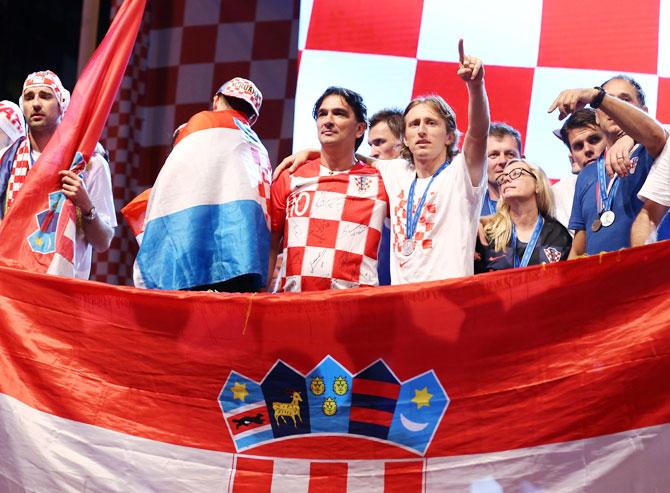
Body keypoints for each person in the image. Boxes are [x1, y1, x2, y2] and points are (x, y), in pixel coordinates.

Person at [275, 41, 489, 283]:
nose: (421, 131)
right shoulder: (393, 171)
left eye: (431, 123)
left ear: (450, 136)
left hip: (449, 300)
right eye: (413, 124)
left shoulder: (461, 172)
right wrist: (314, 152)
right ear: (405, 139)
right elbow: (346, 155)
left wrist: (476, 85)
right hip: (404, 305)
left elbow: (479, 132)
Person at [134, 77, 271, 292]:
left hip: (196, 255)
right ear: (252, 117)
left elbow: (175, 185)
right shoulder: (260, 148)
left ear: (216, 100)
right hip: (246, 260)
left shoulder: (200, 123)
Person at [269, 87, 388, 292]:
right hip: (293, 306)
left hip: (355, 310)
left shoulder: (382, 180)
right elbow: (270, 246)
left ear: (360, 129)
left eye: (338, 113)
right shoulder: (291, 175)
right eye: (322, 114)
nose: (328, 120)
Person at [0, 70, 115, 279]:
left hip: (62, 290)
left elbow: (103, 242)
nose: (35, 103)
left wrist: (86, 204)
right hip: (12, 287)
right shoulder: (4, 162)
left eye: (45, 96)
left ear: (61, 104)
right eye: (29, 97)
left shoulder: (89, 164)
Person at [548, 75, 669, 257]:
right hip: (599, 280)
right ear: (597, 118)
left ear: (644, 111)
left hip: (648, 274)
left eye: (624, 100)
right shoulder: (587, 174)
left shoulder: (655, 149)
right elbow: (579, 248)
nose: (613, 107)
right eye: (608, 100)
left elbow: (657, 134)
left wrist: (596, 97)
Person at [476, 159, 571, 272]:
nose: (506, 179)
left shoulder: (559, 236)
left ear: (537, 185)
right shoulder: (487, 233)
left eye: (516, 173)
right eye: (502, 178)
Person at [551, 108, 607, 232]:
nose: (587, 149)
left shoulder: (632, 173)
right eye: (578, 146)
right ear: (572, 156)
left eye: (594, 140)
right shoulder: (558, 192)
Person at [367, 108, 404, 286]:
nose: (373, 152)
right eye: (371, 145)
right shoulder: (370, 184)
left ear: (404, 143)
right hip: (375, 291)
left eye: (380, 142)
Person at [481, 122, 522, 216]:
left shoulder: (538, 207)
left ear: (522, 160)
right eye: (494, 155)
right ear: (481, 161)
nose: (502, 161)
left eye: (510, 154)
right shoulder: (470, 209)